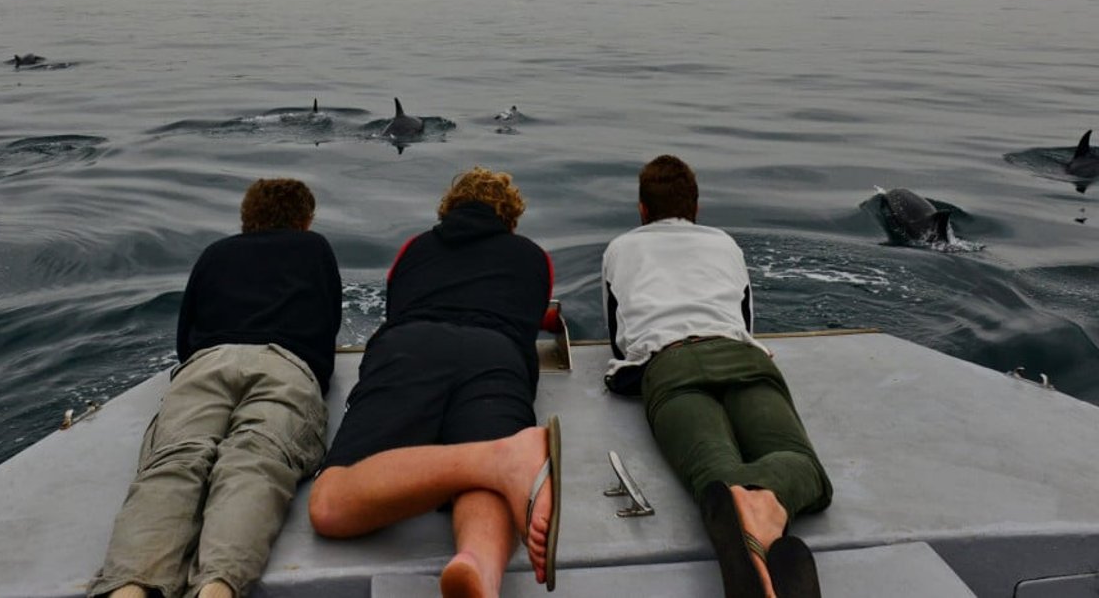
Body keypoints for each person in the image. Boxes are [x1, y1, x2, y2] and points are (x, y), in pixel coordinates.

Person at [308, 167, 562, 598]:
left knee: (330, 505)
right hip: (495, 353)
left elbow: (398, 303)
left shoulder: (415, 248)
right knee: (488, 480)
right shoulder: (533, 256)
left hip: (410, 347)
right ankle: (476, 561)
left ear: (449, 207)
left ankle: (494, 460)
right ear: (511, 216)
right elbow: (534, 310)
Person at [88, 178, 342, 598]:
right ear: (306, 220)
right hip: (285, 363)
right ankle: (217, 588)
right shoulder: (315, 248)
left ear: (246, 219)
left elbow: (185, 338)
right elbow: (326, 324)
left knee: (174, 461)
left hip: (208, 362)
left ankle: (129, 589)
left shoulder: (215, 253)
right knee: (257, 458)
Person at [601, 155, 831, 598]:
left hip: (671, 364)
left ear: (642, 210)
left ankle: (745, 504)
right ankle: (771, 502)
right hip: (742, 358)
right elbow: (746, 323)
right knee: (803, 464)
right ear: (697, 208)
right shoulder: (725, 243)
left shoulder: (620, 248)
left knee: (714, 465)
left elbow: (618, 343)